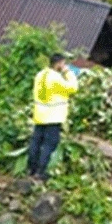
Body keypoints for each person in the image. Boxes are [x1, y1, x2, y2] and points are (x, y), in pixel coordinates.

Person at [28, 53, 79, 181]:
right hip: (53, 116)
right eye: (63, 63)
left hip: (40, 114)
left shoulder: (40, 75)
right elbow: (73, 88)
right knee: (49, 144)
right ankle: (40, 172)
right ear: (59, 63)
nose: (63, 65)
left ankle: (30, 169)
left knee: (36, 142)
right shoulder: (55, 78)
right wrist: (67, 72)